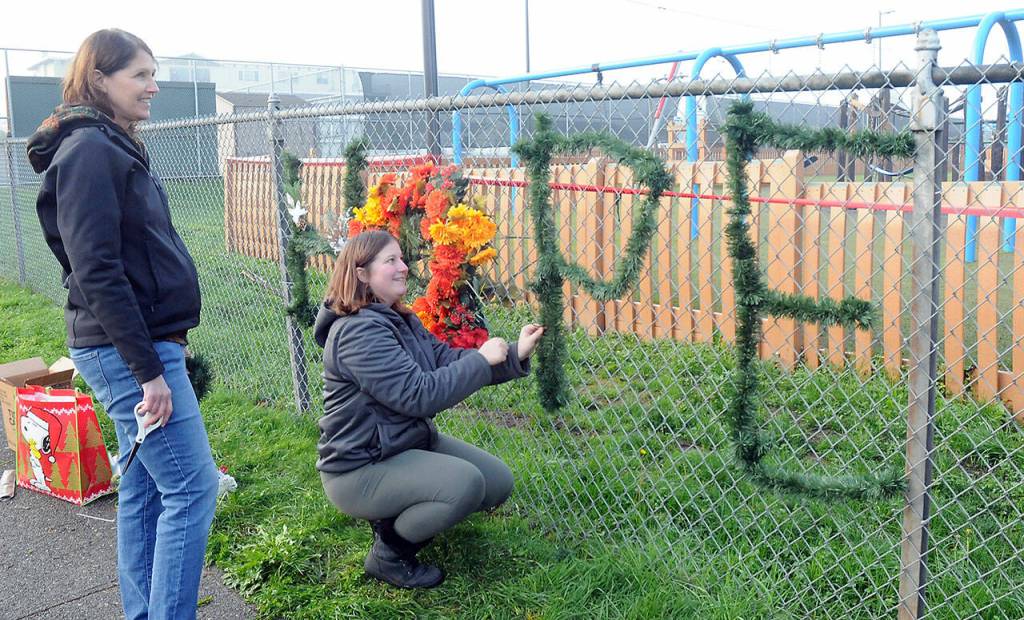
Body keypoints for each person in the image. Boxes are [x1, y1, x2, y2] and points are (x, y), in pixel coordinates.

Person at [27, 29, 219, 620]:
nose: (153, 86)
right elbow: (96, 269)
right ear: (100, 79)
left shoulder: (109, 145)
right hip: (128, 350)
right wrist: (147, 371)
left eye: (153, 73)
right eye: (140, 74)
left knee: (144, 488)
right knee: (192, 489)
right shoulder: (90, 151)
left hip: (135, 343)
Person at [314, 230, 543, 589]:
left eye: (402, 258)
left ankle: (398, 509)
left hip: (404, 445)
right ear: (361, 274)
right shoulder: (357, 334)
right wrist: (482, 360)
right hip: (360, 467)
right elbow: (419, 395)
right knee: (465, 485)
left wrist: (514, 355)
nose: (404, 267)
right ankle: (389, 553)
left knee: (497, 483)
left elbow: (445, 361)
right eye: (391, 261)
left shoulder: (400, 320)